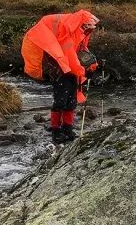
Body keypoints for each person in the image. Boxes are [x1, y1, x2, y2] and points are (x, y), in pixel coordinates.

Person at [21, 10, 100, 143]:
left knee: (71, 101)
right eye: (86, 26)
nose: (88, 30)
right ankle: (56, 130)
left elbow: (80, 53)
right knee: (60, 101)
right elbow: (70, 57)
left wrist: (91, 66)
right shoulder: (67, 36)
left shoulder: (75, 33)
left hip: (70, 72)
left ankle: (67, 128)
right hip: (61, 72)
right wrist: (83, 72)